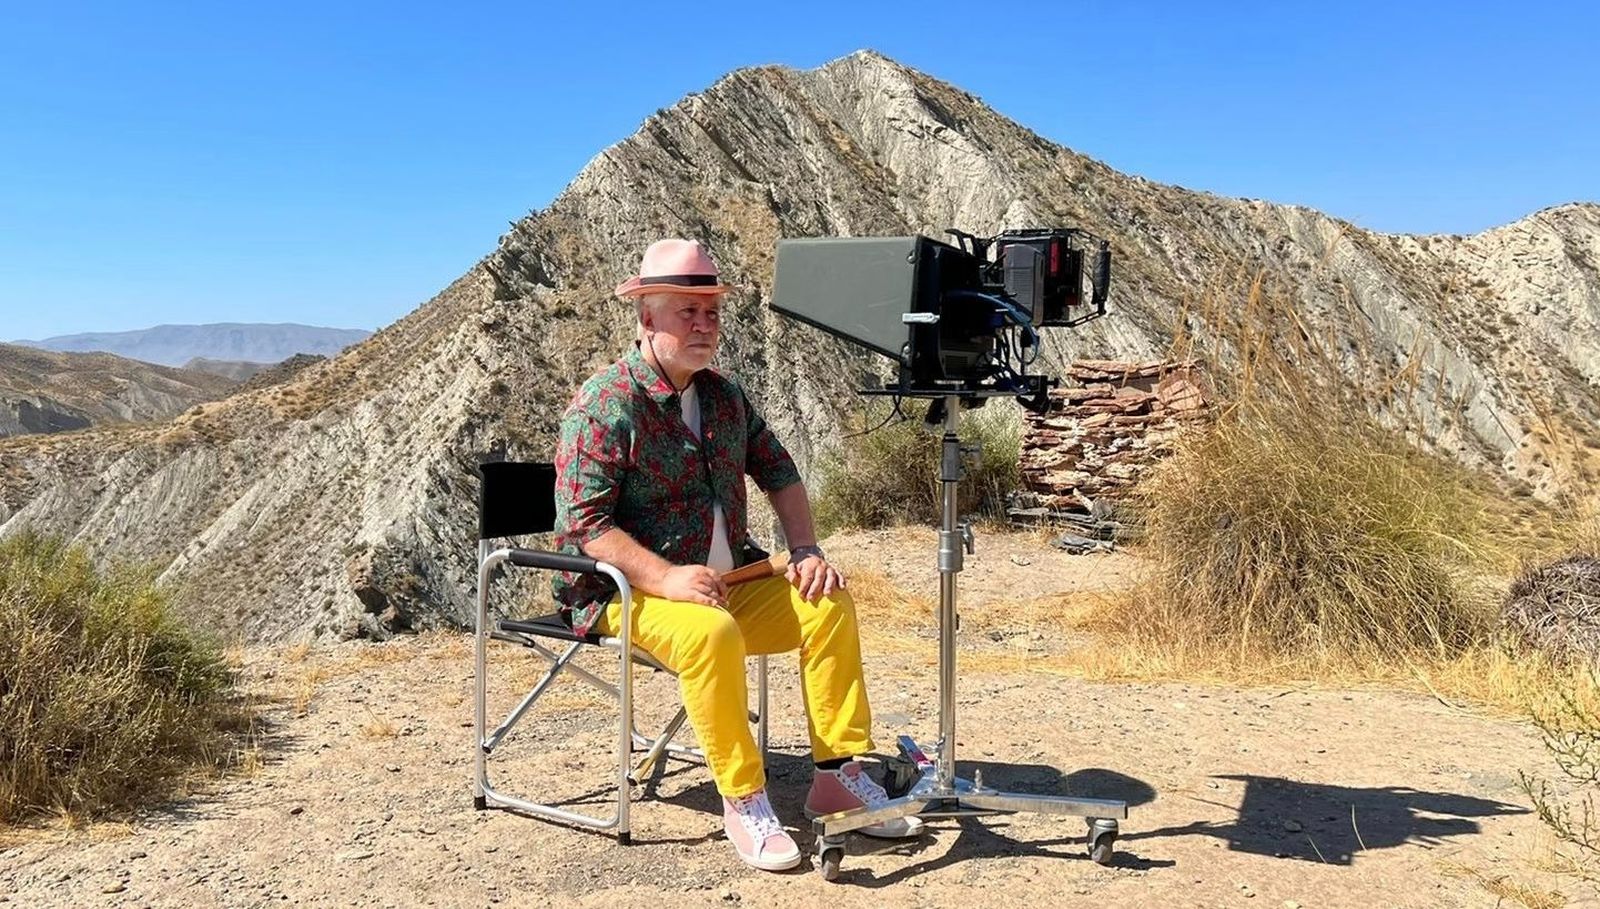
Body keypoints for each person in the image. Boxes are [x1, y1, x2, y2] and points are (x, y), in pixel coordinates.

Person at [551, 238, 922, 871]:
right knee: (711, 631)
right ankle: (744, 798)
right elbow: (585, 526)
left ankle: (836, 776)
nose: (704, 324)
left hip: (732, 581)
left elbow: (780, 472)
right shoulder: (606, 405)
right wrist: (666, 578)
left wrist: (805, 549)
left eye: (712, 312)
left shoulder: (725, 397)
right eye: (687, 311)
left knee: (826, 600)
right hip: (626, 594)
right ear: (646, 317)